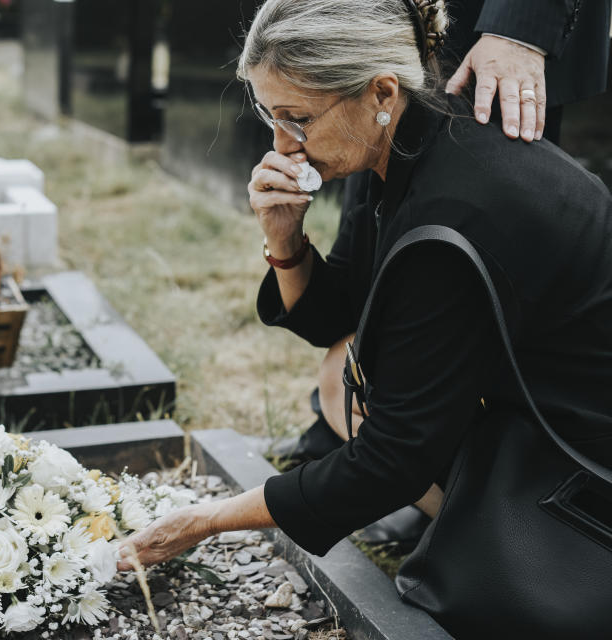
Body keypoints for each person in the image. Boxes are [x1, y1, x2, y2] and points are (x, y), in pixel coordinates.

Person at [117, 0, 612, 633]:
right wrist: (284, 238)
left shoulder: (457, 208)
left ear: (380, 89)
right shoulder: (401, 140)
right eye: (270, 115)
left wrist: (207, 520)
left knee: (360, 397)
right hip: (526, 409)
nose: (282, 143)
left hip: (581, 463)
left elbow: (392, 457)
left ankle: (517, 543)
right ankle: (461, 514)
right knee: (340, 376)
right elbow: (333, 318)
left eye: (297, 118)